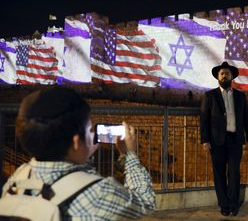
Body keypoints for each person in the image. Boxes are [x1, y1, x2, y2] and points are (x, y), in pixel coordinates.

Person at [2, 86, 155, 220]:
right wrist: (130, 156)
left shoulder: (18, 179)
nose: (93, 133)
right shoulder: (100, 194)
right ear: (76, 142)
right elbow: (146, 207)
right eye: (90, 129)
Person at [200, 61, 248, 216]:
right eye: (222, 73)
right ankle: (223, 205)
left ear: (232, 77)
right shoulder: (209, 96)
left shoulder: (240, 96)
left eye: (227, 73)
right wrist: (205, 140)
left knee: (234, 173)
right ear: (218, 77)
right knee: (219, 174)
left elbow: (246, 118)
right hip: (217, 141)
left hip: (235, 140)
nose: (225, 75)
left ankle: (233, 204)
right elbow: (204, 120)